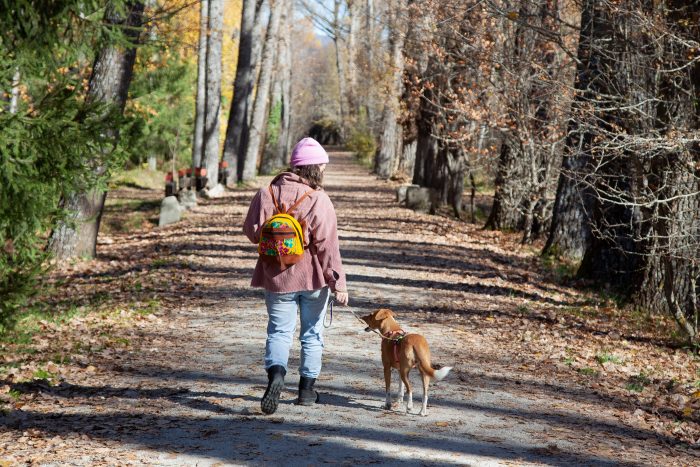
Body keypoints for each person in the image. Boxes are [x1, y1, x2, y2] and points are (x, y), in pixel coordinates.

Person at [243, 137, 349, 415]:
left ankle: (276, 375)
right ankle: (306, 391)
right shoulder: (318, 199)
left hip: (276, 277)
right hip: (313, 278)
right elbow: (328, 245)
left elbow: (252, 232)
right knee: (312, 334)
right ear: (314, 168)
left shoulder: (267, 193)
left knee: (279, 331)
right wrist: (338, 283)